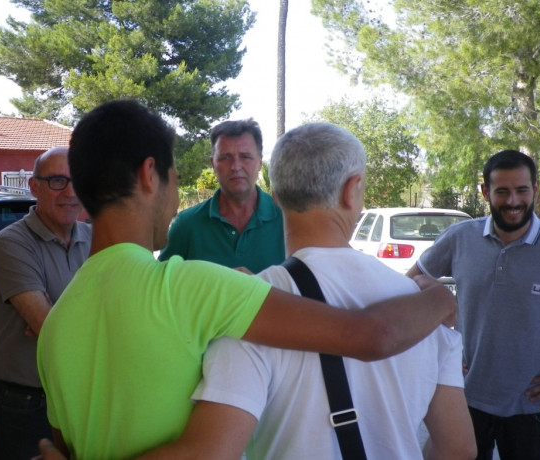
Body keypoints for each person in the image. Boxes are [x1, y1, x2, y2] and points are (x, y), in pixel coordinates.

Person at [36, 100, 457, 459]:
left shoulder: (55, 324)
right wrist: (440, 300)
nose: (176, 196)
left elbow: (66, 446)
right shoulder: (189, 287)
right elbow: (372, 335)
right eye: (176, 179)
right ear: (150, 175)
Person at [132, 122, 476, 459]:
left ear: (277, 194)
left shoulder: (247, 309)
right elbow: (459, 448)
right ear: (351, 190)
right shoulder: (421, 310)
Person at [407, 149, 540, 460]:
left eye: (522, 190)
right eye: (502, 191)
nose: (513, 202)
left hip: (533, 407)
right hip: (465, 399)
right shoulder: (460, 237)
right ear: (485, 192)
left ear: (535, 190)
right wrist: (438, 352)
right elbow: (407, 288)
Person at [0, 146, 91, 460]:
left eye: (78, 181)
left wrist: (61, 317)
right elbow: (49, 329)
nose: (70, 193)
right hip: (26, 404)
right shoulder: (12, 242)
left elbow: (123, 311)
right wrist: (67, 321)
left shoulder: (97, 236)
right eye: (58, 181)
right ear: (34, 187)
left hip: (81, 396)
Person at [158, 118, 284, 272]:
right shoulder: (187, 225)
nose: (235, 166)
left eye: (245, 157)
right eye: (225, 158)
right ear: (213, 164)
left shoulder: (286, 220)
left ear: (259, 162)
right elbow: (162, 288)